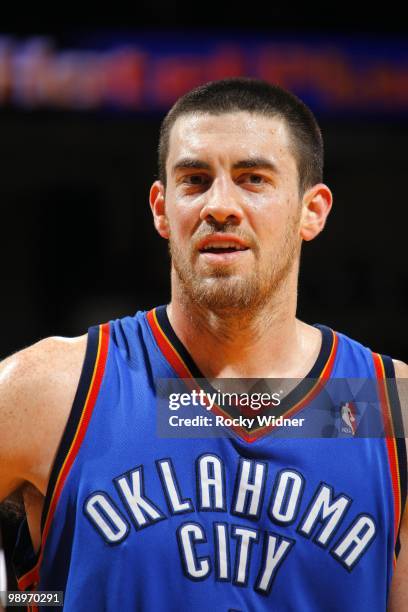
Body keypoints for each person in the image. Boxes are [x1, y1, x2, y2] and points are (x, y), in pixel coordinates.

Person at [0, 77, 407, 611]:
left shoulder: (381, 404)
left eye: (253, 179)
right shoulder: (52, 388)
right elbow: (42, 598)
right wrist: (48, 600)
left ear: (313, 210)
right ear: (161, 208)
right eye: (194, 180)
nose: (220, 205)